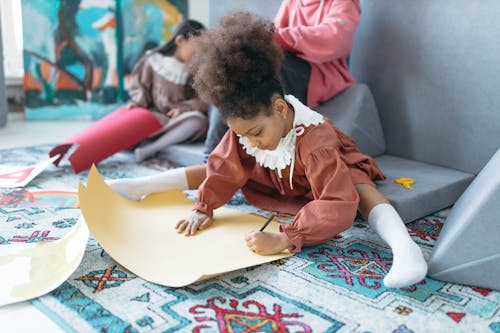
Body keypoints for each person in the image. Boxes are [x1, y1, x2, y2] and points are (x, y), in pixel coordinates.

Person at [107, 12, 427, 289]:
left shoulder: (315, 142)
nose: (252, 141)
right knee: (228, 165)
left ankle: (404, 248)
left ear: (280, 107)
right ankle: (141, 185)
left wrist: (289, 236)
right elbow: (222, 166)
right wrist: (203, 207)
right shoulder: (251, 133)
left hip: (324, 167)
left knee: (355, 186)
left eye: (256, 131)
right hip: (282, 175)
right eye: (243, 133)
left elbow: (337, 204)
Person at [203, 0, 361, 156]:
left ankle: (214, 156)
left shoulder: (344, 2)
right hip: (290, 64)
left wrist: (279, 37)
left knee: (269, 62)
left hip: (322, 73)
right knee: (233, 66)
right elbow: (275, 32)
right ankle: (213, 156)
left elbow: (331, 40)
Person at [127, 19, 209, 162]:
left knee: (199, 121)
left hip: (176, 122)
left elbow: (203, 98)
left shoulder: (194, 71)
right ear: (180, 40)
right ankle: (152, 142)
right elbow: (139, 86)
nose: (199, 53)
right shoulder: (152, 60)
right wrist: (138, 102)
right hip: (154, 117)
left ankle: (150, 149)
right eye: (197, 47)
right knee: (130, 120)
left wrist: (184, 108)